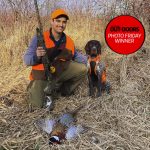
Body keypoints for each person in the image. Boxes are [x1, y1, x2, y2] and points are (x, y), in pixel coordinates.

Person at [24, 9, 87, 109]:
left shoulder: (69, 40)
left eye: (64, 22)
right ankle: (37, 88)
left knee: (83, 69)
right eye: (58, 21)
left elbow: (76, 55)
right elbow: (26, 60)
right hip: (42, 76)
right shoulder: (39, 38)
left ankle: (62, 91)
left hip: (59, 71)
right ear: (52, 21)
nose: (61, 24)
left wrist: (91, 61)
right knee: (38, 105)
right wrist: (37, 56)